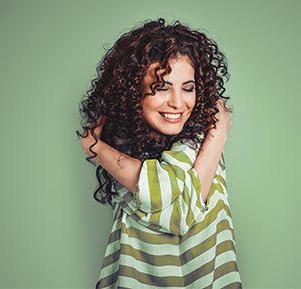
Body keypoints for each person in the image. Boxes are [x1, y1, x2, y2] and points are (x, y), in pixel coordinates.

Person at [76, 18, 242, 289]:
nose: (178, 102)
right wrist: (97, 148)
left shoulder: (200, 139)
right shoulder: (123, 147)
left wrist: (94, 148)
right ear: (133, 90)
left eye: (188, 88)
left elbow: (180, 215)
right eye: (162, 87)